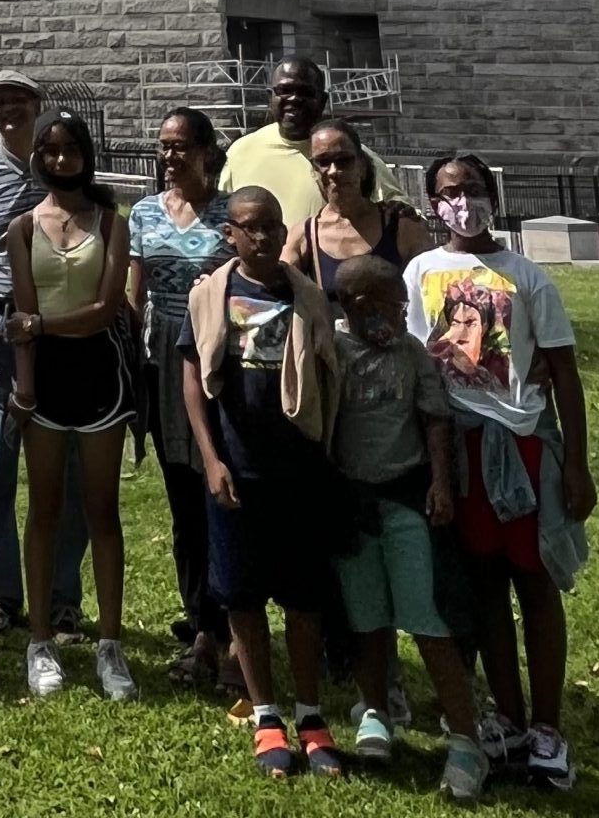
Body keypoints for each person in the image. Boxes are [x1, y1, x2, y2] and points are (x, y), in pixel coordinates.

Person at [407, 152, 595, 792]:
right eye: (449, 192)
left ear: (491, 193)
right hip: (460, 449)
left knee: (534, 584)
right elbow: (416, 358)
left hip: (523, 445)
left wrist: (579, 466)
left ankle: (546, 728)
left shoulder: (527, 276)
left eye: (473, 188)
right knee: (486, 585)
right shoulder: (422, 270)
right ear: (434, 204)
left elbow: (564, 370)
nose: (463, 201)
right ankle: (509, 717)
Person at [180, 184, 344, 779]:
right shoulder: (209, 297)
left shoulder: (309, 297)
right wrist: (211, 459)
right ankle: (267, 714)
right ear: (230, 234)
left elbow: (329, 381)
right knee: (243, 598)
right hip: (236, 469)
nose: (263, 236)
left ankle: (310, 715)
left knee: (303, 600)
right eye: (250, 226)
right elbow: (193, 380)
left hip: (297, 470)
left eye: (272, 225)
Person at [329, 256, 488, 801]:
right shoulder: (331, 351)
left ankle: (466, 740)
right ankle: (375, 708)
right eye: (389, 307)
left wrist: (440, 484)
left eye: (401, 307)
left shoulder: (411, 354)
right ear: (355, 308)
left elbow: (435, 419)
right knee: (366, 616)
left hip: (404, 498)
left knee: (428, 619)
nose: (398, 316)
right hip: (352, 503)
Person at [4, 112, 137, 704]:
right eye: (50, 151)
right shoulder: (23, 226)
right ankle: (40, 643)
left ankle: (110, 644)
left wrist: (38, 324)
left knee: (102, 511)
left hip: (99, 377)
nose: (61, 160)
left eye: (70, 149)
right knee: (45, 511)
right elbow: (21, 320)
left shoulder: (112, 222)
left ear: (86, 153)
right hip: (48, 384)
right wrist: (25, 390)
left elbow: (108, 308)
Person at [0, 69, 88, 638]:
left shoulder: (58, 167)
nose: (7, 111)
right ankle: (2, 592)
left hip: (56, 329)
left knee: (64, 467)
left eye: (18, 102)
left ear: (38, 105)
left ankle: (63, 595)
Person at [126, 107, 233, 688]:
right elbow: (134, 295)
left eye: (181, 146)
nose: (170, 157)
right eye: (163, 146)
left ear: (206, 151)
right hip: (162, 357)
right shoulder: (144, 212)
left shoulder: (231, 214)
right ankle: (201, 622)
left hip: (219, 357)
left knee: (221, 488)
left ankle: (229, 623)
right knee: (183, 497)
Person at [223, 59, 401, 226]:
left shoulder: (352, 157)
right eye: (285, 90)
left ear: (322, 101)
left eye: (306, 93)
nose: (294, 99)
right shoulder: (240, 152)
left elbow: (399, 211)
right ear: (270, 97)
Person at [283, 117, 429, 301]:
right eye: (323, 161)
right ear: (314, 169)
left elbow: (433, 291)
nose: (333, 171)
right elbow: (277, 295)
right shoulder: (304, 237)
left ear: (361, 164)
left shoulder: (403, 228)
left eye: (343, 160)